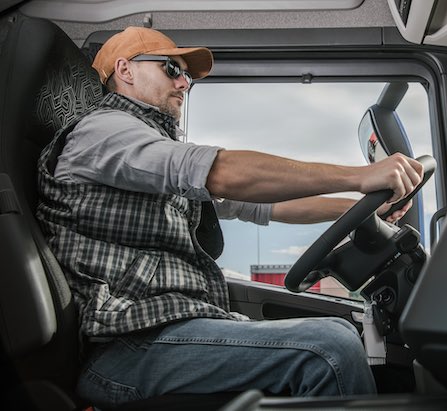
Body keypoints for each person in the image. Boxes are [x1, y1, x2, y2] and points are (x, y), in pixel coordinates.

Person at [36, 26, 424, 408]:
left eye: (187, 75)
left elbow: (267, 205)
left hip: (171, 330)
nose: (184, 82)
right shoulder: (104, 131)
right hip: (128, 347)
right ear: (125, 71)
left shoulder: (149, 149)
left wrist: (366, 209)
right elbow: (220, 172)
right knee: (330, 349)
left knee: (339, 333)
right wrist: (359, 177)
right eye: (172, 69)